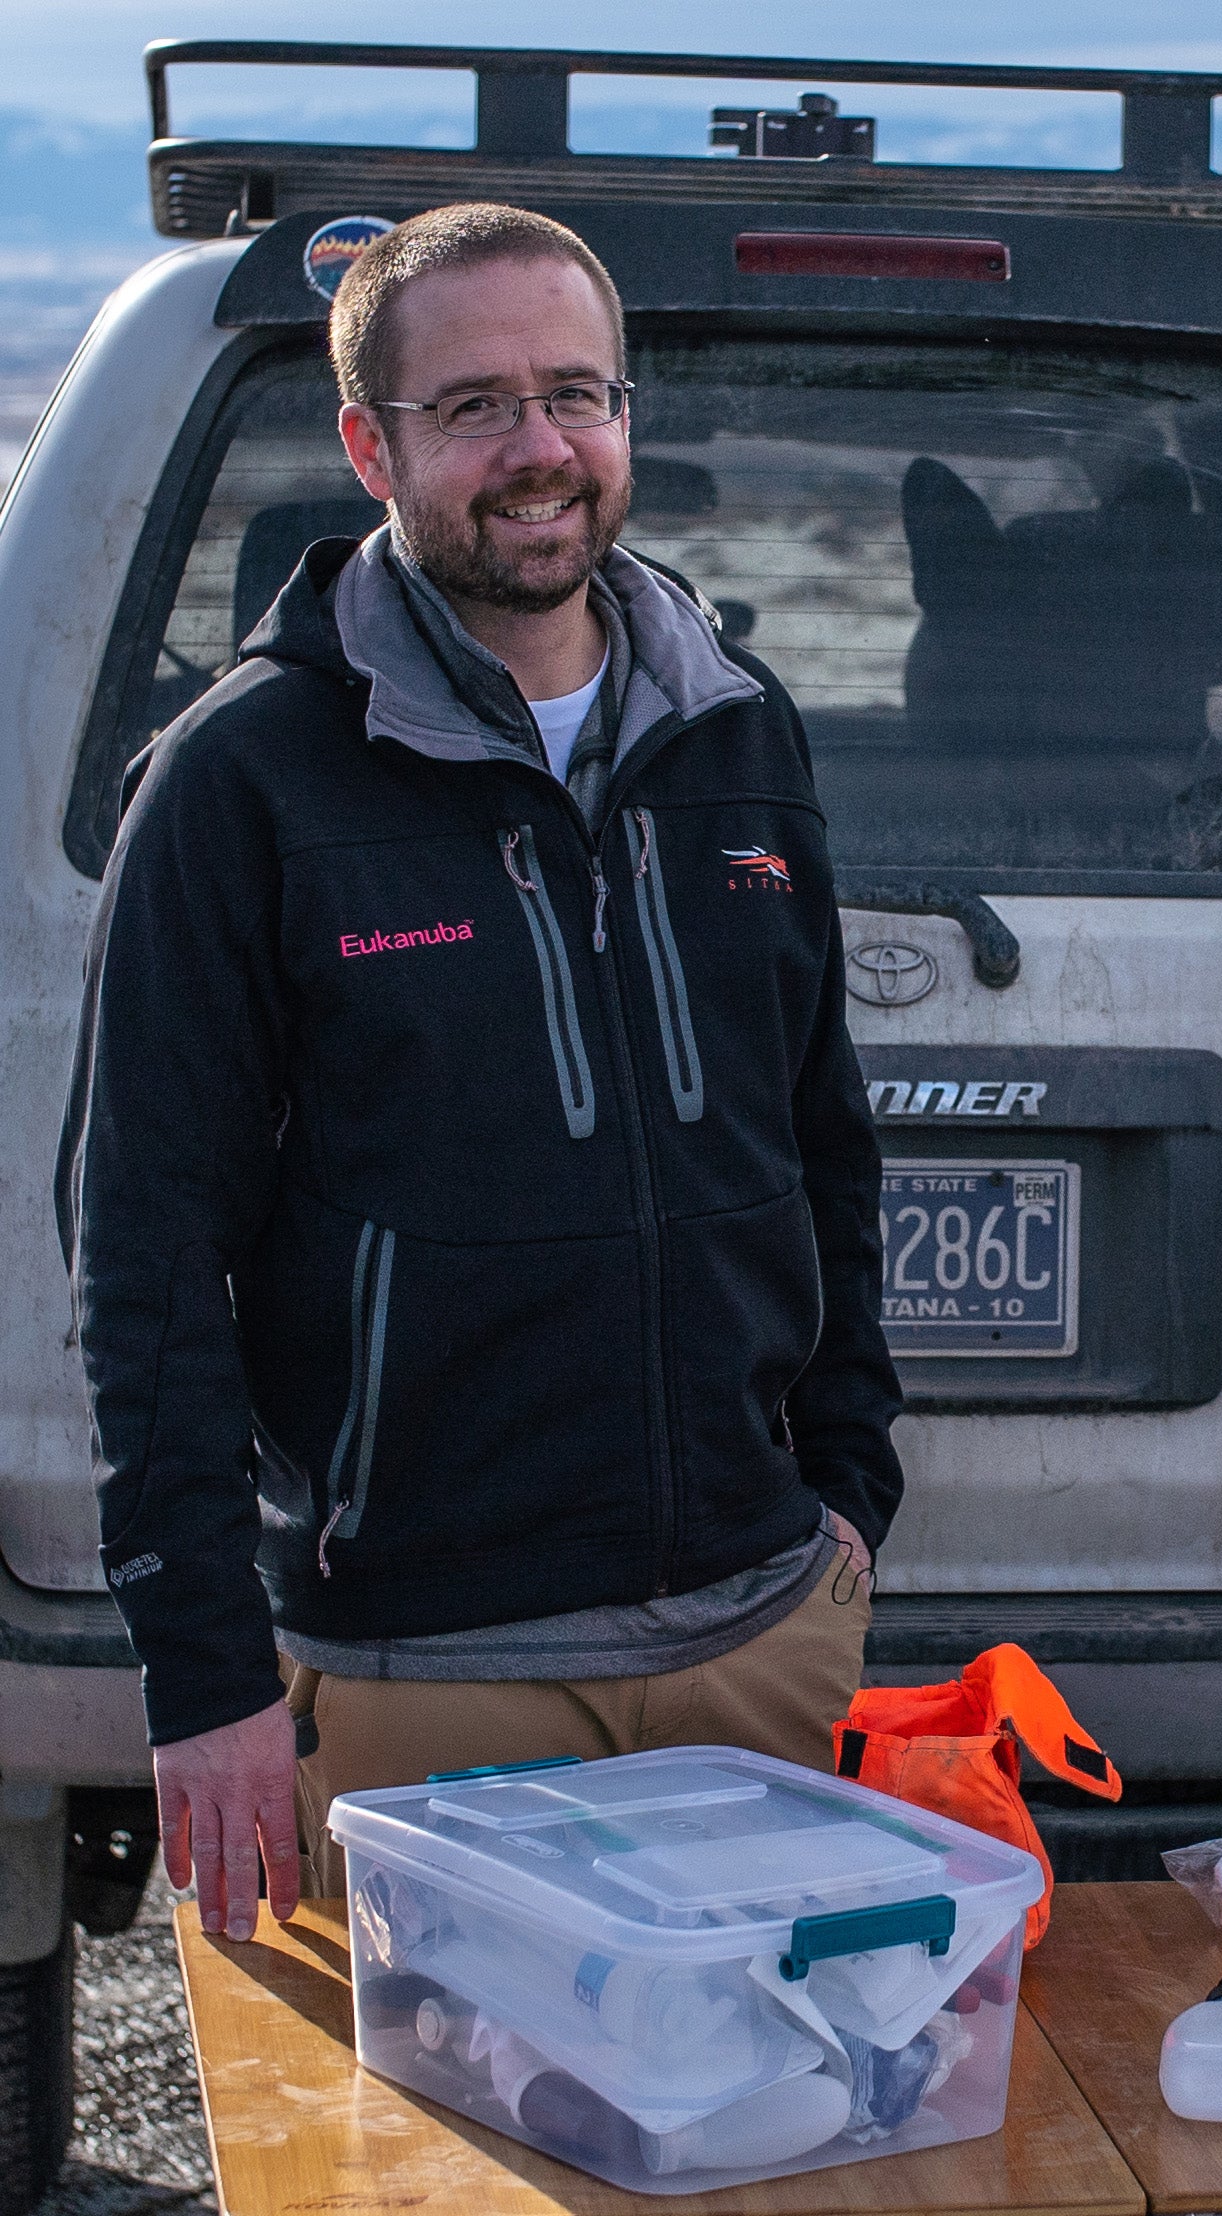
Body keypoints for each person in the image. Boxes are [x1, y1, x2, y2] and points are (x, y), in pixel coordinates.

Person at [57, 203, 901, 1939]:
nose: (543, 451)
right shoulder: (245, 781)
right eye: (476, 407)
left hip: (762, 1640)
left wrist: (845, 1497)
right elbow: (143, 1253)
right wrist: (204, 1672)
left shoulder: (736, 725)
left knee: (784, 2137)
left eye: (577, 394)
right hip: (419, 1674)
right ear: (371, 445)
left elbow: (825, 1139)